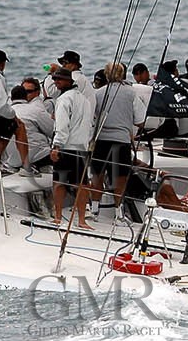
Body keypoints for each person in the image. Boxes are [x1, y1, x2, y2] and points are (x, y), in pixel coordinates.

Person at [82, 62, 145, 221]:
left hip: (101, 140)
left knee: (97, 176)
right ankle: (119, 213)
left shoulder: (98, 93)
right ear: (123, 74)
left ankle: (94, 210)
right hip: (122, 141)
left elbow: (91, 117)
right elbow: (141, 120)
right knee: (120, 178)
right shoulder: (131, 93)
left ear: (106, 75)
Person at [48, 68, 94, 231]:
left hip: (66, 147)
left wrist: (56, 146)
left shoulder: (63, 99)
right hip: (81, 147)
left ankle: (58, 217)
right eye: (55, 79)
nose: (56, 82)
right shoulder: (85, 100)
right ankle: (81, 220)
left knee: (59, 183)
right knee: (82, 185)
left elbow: (62, 126)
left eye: (59, 79)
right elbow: (89, 125)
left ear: (69, 81)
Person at [9, 85, 54, 172]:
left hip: (13, 161)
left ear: (11, 98)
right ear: (26, 97)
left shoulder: (4, 114)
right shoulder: (35, 110)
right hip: (38, 158)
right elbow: (53, 130)